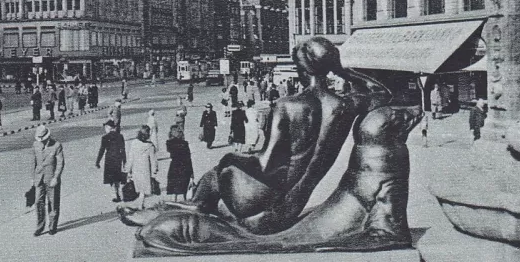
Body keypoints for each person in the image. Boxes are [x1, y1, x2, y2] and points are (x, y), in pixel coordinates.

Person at [168, 36, 392, 236]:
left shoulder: (287, 106)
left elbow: (266, 165)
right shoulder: (346, 106)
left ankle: (197, 203)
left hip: (260, 207)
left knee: (218, 172)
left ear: (300, 69)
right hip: (288, 210)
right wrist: (342, 70)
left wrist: (230, 159)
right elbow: (382, 92)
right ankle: (198, 205)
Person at [32, 125, 64, 236]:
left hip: (51, 179)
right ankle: (40, 226)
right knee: (38, 202)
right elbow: (34, 162)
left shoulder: (56, 145)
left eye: (43, 138)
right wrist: (33, 177)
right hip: (39, 178)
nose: (41, 140)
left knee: (53, 202)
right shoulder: (36, 145)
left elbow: (60, 163)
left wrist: (56, 177)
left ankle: (52, 226)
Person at [126, 125, 158, 209]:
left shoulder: (134, 143)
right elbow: (153, 160)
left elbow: (131, 157)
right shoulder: (150, 146)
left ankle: (140, 204)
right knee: (144, 190)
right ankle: (140, 205)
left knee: (139, 188)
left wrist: (128, 169)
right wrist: (154, 170)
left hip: (136, 169)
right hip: (145, 170)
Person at [96, 120, 126, 202]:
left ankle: (115, 193)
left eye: (105, 127)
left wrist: (97, 161)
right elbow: (123, 150)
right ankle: (118, 192)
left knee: (111, 178)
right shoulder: (120, 136)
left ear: (108, 128)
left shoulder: (105, 137)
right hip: (118, 158)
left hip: (109, 159)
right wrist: (125, 162)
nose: (105, 129)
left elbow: (101, 150)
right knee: (117, 177)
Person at [165, 124, 194, 201]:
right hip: (185, 166)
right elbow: (188, 157)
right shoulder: (185, 143)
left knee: (174, 189)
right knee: (185, 187)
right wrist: (191, 172)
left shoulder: (169, 143)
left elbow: (170, 150)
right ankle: (185, 202)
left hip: (174, 166)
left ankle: (173, 202)